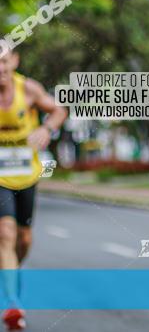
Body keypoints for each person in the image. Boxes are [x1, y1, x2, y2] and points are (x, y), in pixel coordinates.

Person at [0, 42, 67, 330]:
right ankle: (12, 303)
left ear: (14, 61)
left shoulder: (28, 89)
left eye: (3, 61)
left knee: (23, 239)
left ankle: (10, 268)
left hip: (27, 175)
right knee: (6, 233)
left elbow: (59, 109)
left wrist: (46, 128)